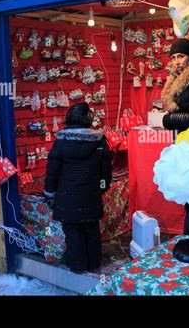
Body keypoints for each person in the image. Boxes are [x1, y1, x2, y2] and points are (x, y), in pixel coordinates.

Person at [44, 102, 113, 273]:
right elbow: (106, 170)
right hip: (91, 195)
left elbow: (52, 171)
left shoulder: (61, 141)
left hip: (67, 196)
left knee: (73, 232)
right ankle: (94, 264)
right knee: (91, 230)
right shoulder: (100, 140)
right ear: (89, 119)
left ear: (69, 119)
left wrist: (49, 193)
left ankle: (77, 267)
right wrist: (101, 188)